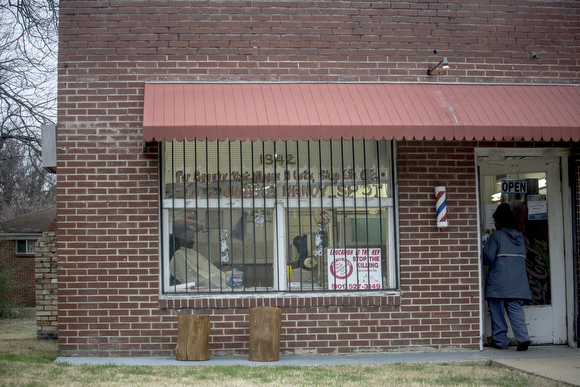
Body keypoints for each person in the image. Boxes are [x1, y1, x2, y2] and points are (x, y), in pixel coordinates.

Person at [483, 203, 532, 351]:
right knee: (516, 309)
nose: (495, 223)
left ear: (498, 221)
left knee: (497, 312)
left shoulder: (496, 236)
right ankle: (523, 339)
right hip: (518, 281)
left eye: (495, 221)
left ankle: (500, 341)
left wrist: (485, 245)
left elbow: (488, 257)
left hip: (499, 280)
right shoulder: (519, 237)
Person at [169, 211, 230, 290]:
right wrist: (194, 223)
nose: (188, 221)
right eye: (189, 218)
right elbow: (174, 221)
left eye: (193, 237)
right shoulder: (170, 222)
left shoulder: (189, 252)